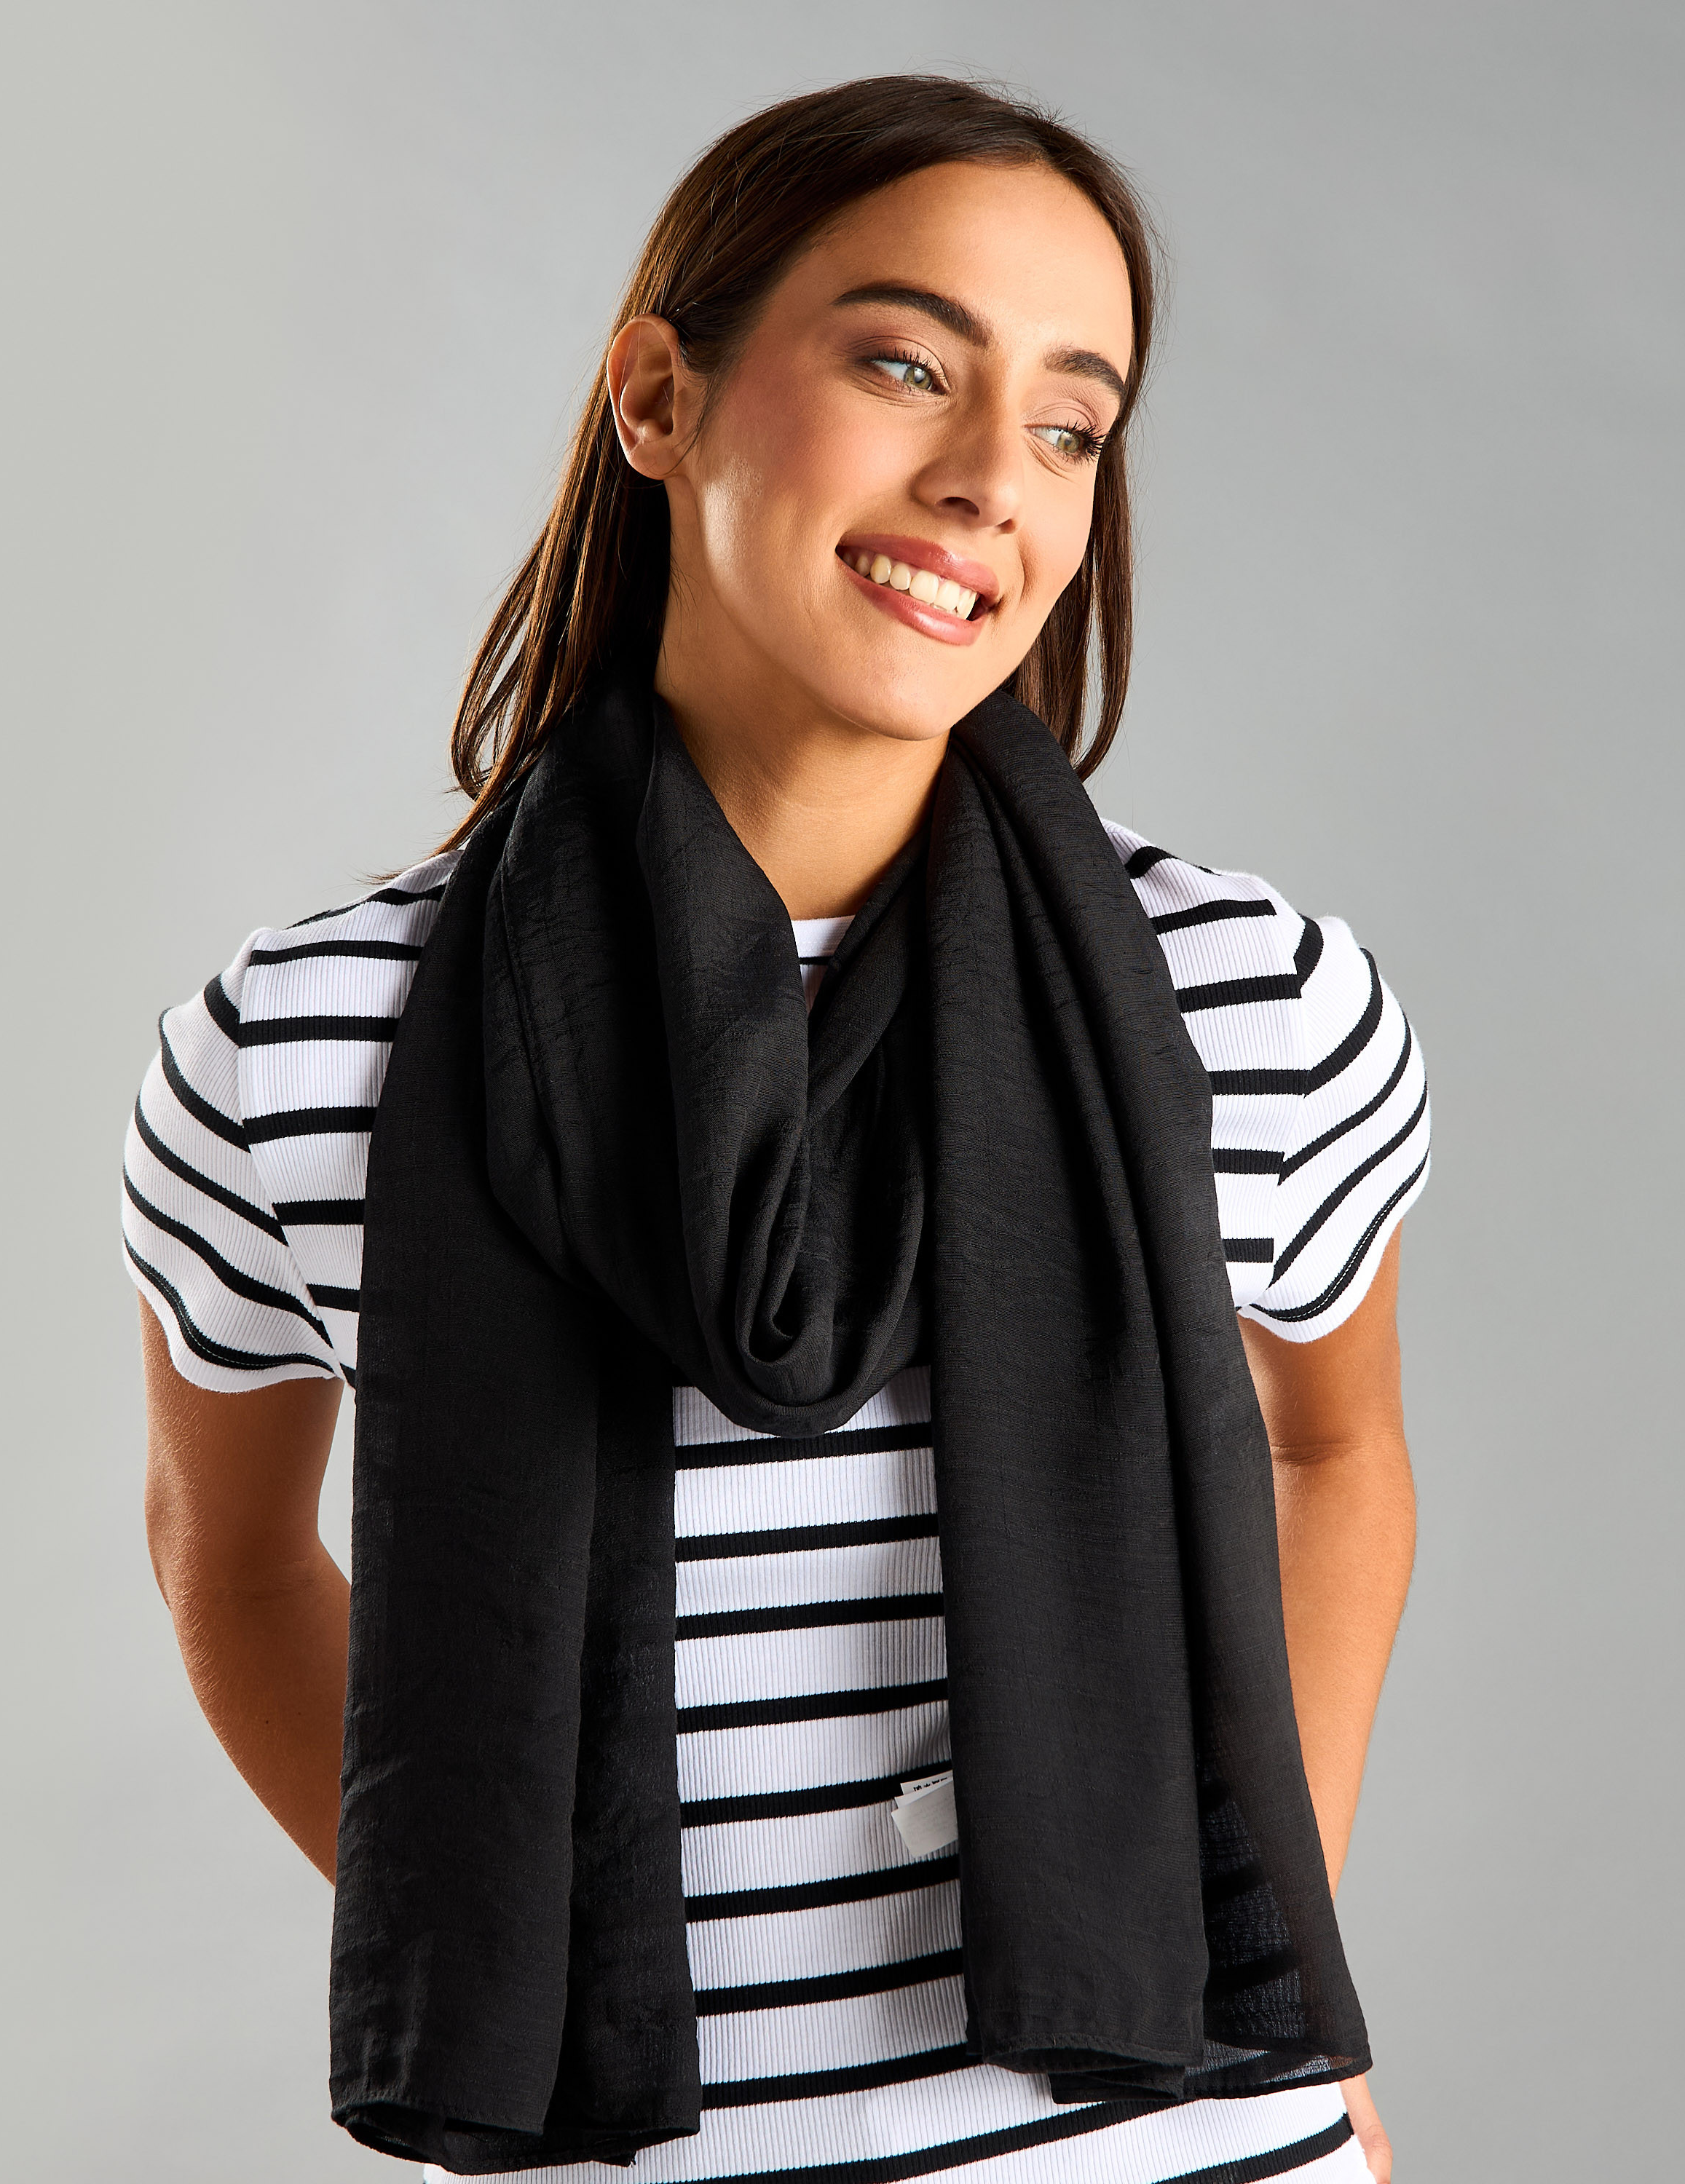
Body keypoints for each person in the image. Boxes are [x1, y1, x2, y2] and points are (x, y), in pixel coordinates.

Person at [124, 76, 1426, 2184]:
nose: (990, 478)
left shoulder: (1251, 998)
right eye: (907, 364)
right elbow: (231, 1556)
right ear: (661, 395)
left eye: (1071, 426)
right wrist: (517, 1947)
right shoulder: (305, 1046)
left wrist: (1260, 1927)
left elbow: (1341, 1453)